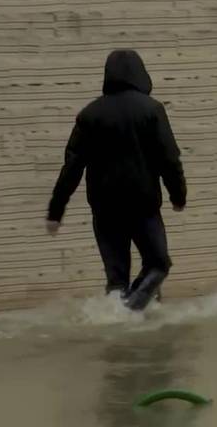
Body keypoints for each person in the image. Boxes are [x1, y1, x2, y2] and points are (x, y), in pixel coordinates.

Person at [46, 49, 187, 311]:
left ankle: (118, 318)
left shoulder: (90, 114)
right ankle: (131, 313)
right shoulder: (151, 110)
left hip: (105, 209)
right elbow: (169, 158)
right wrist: (178, 196)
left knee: (117, 280)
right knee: (158, 264)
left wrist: (56, 211)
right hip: (143, 207)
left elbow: (72, 167)